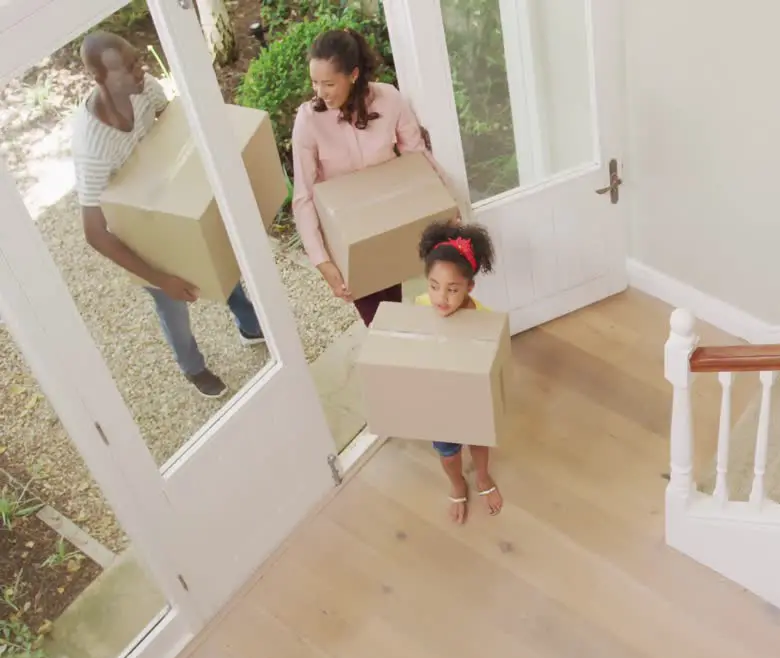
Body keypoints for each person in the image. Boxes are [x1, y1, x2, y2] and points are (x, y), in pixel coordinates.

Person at [72, 32, 264, 399]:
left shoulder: (147, 89)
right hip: (140, 226)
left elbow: (173, 129)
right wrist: (160, 277)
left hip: (169, 197)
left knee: (214, 256)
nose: (139, 68)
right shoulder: (91, 148)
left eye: (136, 59)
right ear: (100, 79)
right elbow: (95, 233)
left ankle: (247, 322)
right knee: (171, 300)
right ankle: (192, 366)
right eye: (126, 67)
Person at [291, 28, 455, 326]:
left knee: (400, 306)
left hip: (393, 221)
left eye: (328, 83)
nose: (320, 92)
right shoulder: (308, 120)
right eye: (315, 83)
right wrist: (322, 260)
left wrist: (448, 205)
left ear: (353, 75)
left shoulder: (388, 99)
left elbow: (417, 155)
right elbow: (303, 196)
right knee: (381, 322)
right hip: (349, 237)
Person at [415, 221, 500, 524]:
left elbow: (492, 366)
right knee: (448, 452)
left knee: (478, 442)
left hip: (472, 398)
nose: (441, 298)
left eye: (453, 289)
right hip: (439, 400)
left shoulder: (485, 322)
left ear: (469, 287)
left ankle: (482, 477)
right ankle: (456, 483)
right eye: (434, 286)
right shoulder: (421, 308)